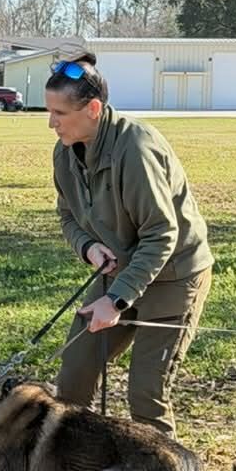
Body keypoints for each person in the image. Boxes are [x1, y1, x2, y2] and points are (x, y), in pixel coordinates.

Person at [48, 53, 213, 439]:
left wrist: (116, 300)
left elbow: (161, 234)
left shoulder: (136, 148)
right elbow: (67, 216)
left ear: (92, 108)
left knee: (146, 397)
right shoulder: (65, 149)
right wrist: (88, 247)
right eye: (49, 110)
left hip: (175, 275)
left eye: (59, 112)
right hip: (120, 268)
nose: (51, 122)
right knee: (72, 380)